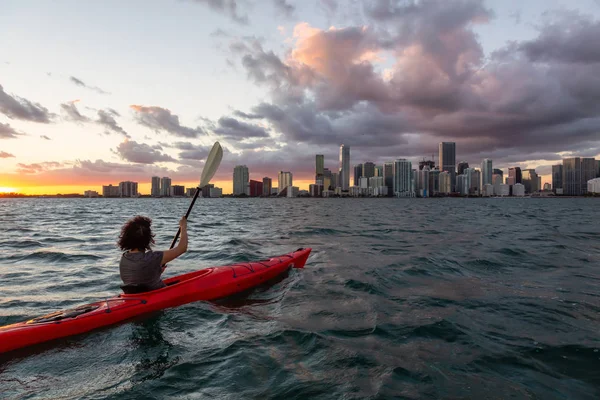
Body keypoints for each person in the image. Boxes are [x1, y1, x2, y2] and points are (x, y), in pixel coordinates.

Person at [118, 215, 188, 292]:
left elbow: (137, 279)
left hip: (133, 296)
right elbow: (182, 248)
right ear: (147, 239)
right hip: (157, 294)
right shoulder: (152, 258)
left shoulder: (124, 258)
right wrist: (183, 227)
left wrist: (156, 271)